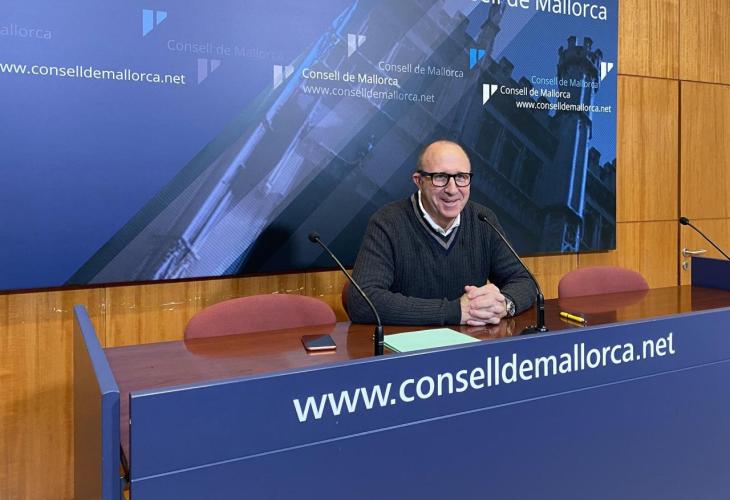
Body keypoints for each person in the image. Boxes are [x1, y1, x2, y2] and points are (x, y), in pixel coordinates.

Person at [347, 139, 535, 326]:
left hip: (472, 339)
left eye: (461, 177)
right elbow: (361, 302)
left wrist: (504, 305)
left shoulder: (483, 220)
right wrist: (456, 311)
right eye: (440, 177)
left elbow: (525, 281)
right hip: (409, 341)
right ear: (419, 181)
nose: (452, 189)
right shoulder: (388, 222)